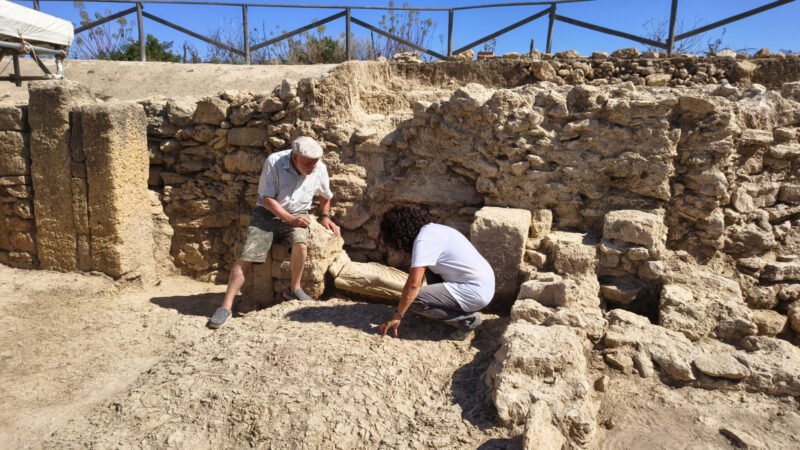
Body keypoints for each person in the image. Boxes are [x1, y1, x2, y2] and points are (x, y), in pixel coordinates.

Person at [207, 136, 340, 329]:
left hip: (298, 213)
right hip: (268, 213)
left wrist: (325, 216)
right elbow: (267, 199)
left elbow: (325, 195)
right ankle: (225, 306)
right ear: (295, 157)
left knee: (300, 244)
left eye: (315, 162)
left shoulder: (319, 167)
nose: (313, 166)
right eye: (308, 162)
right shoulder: (275, 162)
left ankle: (294, 288)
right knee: (247, 253)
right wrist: (289, 219)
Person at [377, 205, 495, 340]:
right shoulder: (434, 229)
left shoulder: (423, 241)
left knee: (415, 301)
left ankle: (467, 320)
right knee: (424, 275)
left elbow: (414, 285)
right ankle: (449, 308)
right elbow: (417, 277)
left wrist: (398, 315)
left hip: (475, 291)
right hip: (485, 284)